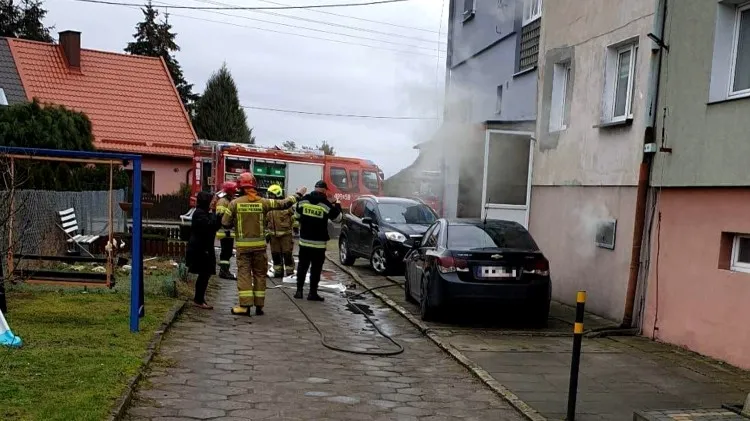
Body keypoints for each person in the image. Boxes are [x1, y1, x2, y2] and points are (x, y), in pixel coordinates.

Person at [222, 172, 305, 316]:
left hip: (243, 248)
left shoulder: (234, 203)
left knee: (244, 274)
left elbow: (225, 223)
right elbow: (283, 203)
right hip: (260, 248)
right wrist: (298, 194)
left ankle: (245, 306)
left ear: (240, 187)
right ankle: (259, 306)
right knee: (260, 274)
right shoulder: (263, 202)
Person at [294, 180, 343, 301]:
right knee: (316, 269)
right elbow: (338, 219)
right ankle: (312, 293)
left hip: (304, 241)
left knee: (302, 266)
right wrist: (336, 203)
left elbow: (296, 216)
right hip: (319, 244)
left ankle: (299, 291)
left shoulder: (304, 200)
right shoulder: (326, 204)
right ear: (325, 190)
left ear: (315, 188)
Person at [186, 191, 222, 309]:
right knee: (204, 273)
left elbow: (215, 225)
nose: (213, 202)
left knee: (205, 274)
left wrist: (216, 214)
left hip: (204, 248)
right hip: (200, 249)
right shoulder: (200, 214)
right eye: (211, 200)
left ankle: (200, 298)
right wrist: (214, 212)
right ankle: (198, 299)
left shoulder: (203, 212)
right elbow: (210, 226)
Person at [265, 184, 296, 278]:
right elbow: (265, 222)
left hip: (286, 235)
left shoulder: (286, 206)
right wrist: (267, 233)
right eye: (269, 194)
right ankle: (278, 271)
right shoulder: (268, 206)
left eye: (271, 194)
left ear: (277, 194)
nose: (269, 196)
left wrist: (295, 228)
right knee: (275, 254)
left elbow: (295, 218)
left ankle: (290, 272)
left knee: (287, 254)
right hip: (273, 236)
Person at [214, 182, 237, 280]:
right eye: (234, 191)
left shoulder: (228, 200)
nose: (235, 193)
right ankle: (224, 272)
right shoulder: (223, 201)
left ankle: (225, 271)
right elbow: (220, 216)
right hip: (225, 231)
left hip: (228, 231)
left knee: (227, 252)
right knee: (226, 252)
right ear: (230, 191)